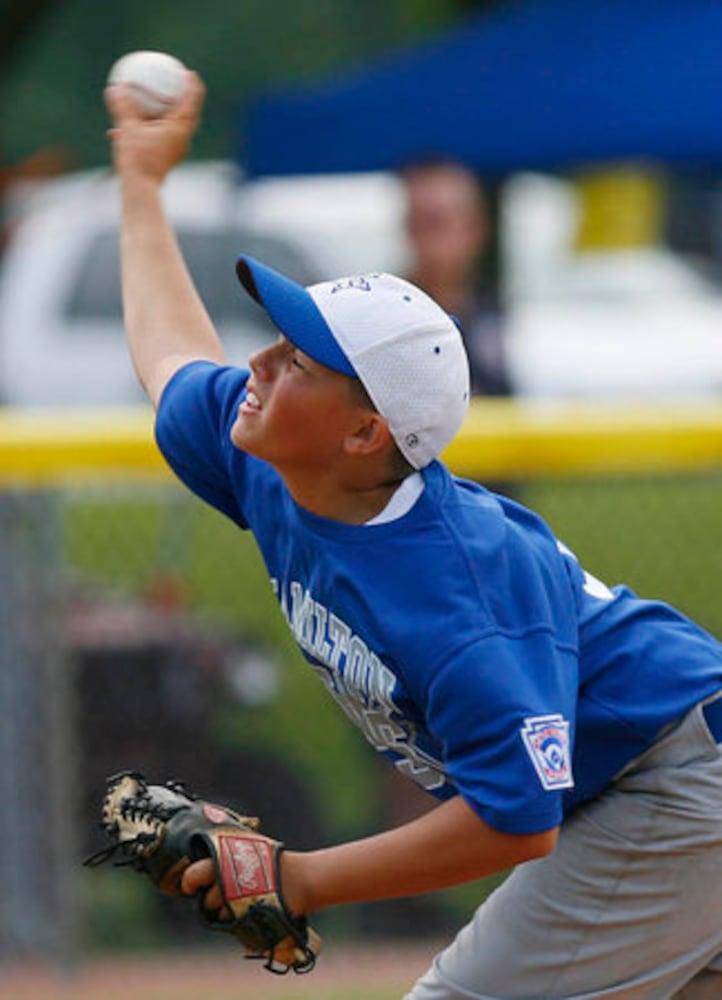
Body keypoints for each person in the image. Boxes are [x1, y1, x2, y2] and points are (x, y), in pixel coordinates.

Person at [104, 71, 722, 999]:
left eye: (299, 358)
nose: (261, 361)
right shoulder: (271, 456)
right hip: (640, 785)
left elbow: (517, 819)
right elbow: (169, 356)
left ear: (365, 434)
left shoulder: (459, 591)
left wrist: (301, 878)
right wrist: (141, 184)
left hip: (675, 784)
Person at [402, 158, 512, 398]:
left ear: (476, 228)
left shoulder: (510, 319)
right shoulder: (381, 317)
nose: (429, 241)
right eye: (419, 221)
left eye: (438, 223)